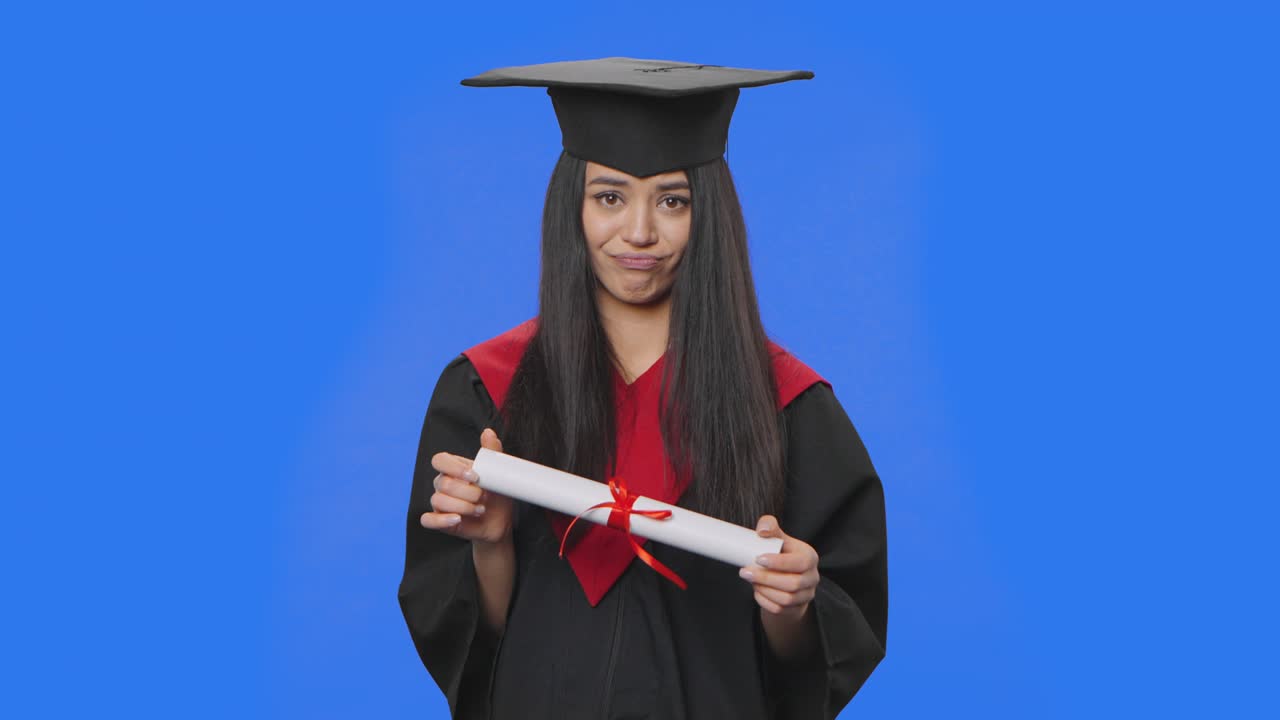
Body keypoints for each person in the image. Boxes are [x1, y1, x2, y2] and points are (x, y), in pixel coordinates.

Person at [399, 58, 887, 720]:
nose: (638, 232)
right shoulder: (489, 391)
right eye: (609, 196)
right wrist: (491, 543)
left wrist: (794, 600)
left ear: (706, 215)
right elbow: (476, 644)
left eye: (672, 200)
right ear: (570, 207)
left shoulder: (788, 407)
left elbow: (814, 659)